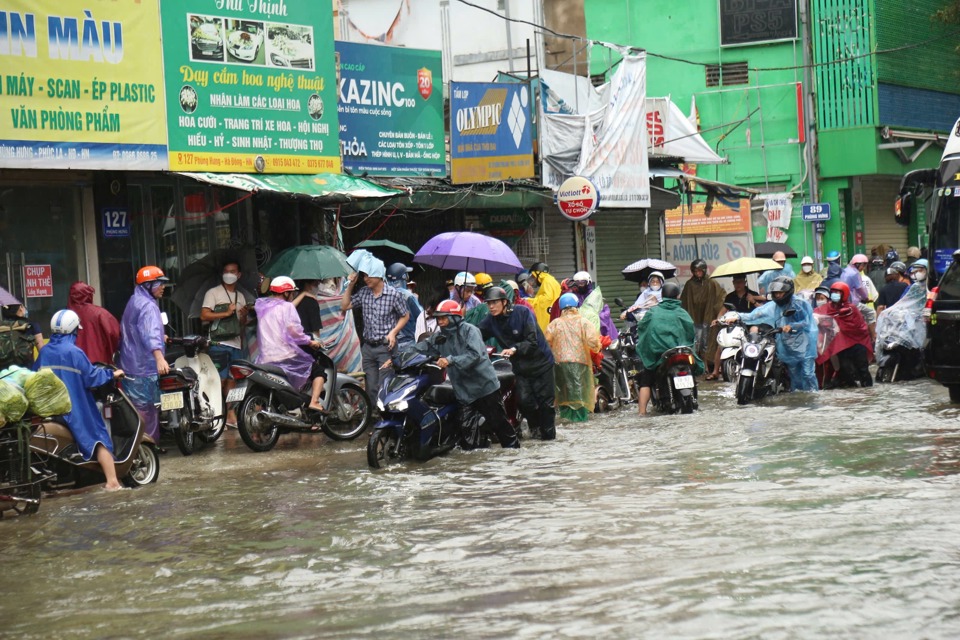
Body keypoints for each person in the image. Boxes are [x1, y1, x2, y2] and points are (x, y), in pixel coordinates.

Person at [407, 300, 520, 449]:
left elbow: (474, 356)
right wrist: (399, 357)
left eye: (443, 318)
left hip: (484, 389)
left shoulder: (470, 331)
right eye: (438, 318)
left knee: (500, 427)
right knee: (468, 437)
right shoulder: (440, 336)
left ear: (454, 317)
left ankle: (513, 455)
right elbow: (423, 347)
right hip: (463, 392)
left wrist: (450, 360)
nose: (440, 322)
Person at [33, 310, 125, 490]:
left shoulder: (44, 353)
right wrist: (112, 374)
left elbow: (34, 376)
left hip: (49, 410)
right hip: (74, 409)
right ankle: (112, 482)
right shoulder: (75, 353)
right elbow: (91, 377)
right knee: (98, 437)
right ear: (73, 330)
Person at [478, 286, 556, 440]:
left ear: (505, 302)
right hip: (520, 368)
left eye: (494, 302)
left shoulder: (523, 313)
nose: (491, 307)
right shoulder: (490, 320)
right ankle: (535, 431)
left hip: (542, 364)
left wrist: (514, 349)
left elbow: (532, 341)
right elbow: (476, 335)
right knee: (524, 401)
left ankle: (549, 440)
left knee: (546, 405)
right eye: (488, 303)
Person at [725, 276, 819, 392]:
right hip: (787, 345)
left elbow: (806, 321)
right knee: (794, 375)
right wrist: (737, 316)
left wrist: (792, 326)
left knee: (808, 373)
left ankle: (813, 395)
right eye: (775, 293)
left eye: (780, 293)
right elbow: (755, 315)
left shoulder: (800, 304)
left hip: (805, 345)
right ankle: (798, 399)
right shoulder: (773, 306)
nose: (778, 296)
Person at [255, 276, 327, 413]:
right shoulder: (287, 307)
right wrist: (310, 341)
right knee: (318, 371)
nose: (293, 295)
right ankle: (314, 402)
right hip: (285, 356)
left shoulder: (263, 307)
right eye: (291, 292)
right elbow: (294, 332)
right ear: (286, 293)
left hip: (266, 358)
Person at [340, 260, 409, 397]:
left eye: (368, 275)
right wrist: (350, 286)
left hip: (386, 347)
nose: (365, 279)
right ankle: (372, 416)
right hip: (368, 348)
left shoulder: (393, 294)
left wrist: (393, 332)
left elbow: (405, 315)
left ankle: (385, 415)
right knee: (370, 386)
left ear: (378, 275)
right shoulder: (364, 292)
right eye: (364, 276)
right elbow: (344, 306)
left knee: (384, 384)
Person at [117, 265, 170, 444]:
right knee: (148, 411)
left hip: (130, 366)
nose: (163, 287)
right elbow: (150, 334)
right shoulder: (148, 306)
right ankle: (148, 447)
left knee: (137, 410)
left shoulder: (134, 301)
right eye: (159, 283)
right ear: (147, 285)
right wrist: (159, 358)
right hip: (144, 368)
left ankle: (138, 447)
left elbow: (138, 330)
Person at [635, 282, 702, 416]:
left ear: (662, 295)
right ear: (677, 296)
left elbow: (642, 329)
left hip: (660, 355)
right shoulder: (683, 313)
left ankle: (641, 413)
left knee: (646, 378)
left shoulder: (653, 312)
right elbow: (690, 333)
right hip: (682, 352)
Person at [201, 260, 250, 427]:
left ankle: (230, 414)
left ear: (239, 275)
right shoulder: (213, 293)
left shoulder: (241, 296)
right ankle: (215, 415)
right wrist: (226, 312)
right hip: (218, 344)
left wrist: (243, 316)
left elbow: (242, 324)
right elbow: (204, 315)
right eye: (226, 271)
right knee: (218, 380)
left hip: (236, 344)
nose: (229, 274)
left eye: (233, 271)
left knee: (232, 380)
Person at [544, 293, 601, 422]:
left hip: (559, 363)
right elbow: (593, 342)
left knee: (563, 394)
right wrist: (597, 347)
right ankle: (580, 421)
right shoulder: (584, 322)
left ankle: (566, 419)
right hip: (580, 362)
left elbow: (546, 342)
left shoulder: (555, 323)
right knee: (579, 394)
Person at [814, 282, 873, 388]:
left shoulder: (852, 309)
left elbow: (861, 328)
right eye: (833, 292)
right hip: (841, 346)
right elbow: (814, 316)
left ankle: (868, 391)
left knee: (863, 370)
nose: (835, 294)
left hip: (857, 343)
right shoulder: (826, 308)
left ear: (844, 294)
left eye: (838, 292)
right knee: (846, 369)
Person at [680, 259, 726, 379]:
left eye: (700, 271)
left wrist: (718, 316)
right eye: (695, 271)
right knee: (696, 342)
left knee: (706, 343)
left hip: (708, 316)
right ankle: (697, 366)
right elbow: (684, 301)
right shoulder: (689, 284)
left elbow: (721, 297)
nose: (698, 273)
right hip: (694, 318)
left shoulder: (711, 283)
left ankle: (706, 365)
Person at [67, 281, 121, 365]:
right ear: (89, 295)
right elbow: (115, 334)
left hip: (72, 364)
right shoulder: (101, 314)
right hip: (98, 363)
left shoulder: (63, 316)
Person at [569, 271, 619, 341]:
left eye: (582, 283)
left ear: (588, 282)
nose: (580, 285)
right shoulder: (572, 296)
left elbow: (603, 311)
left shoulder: (594, 295)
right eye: (577, 283)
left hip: (595, 325)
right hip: (579, 327)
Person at [385, 262, 423, 351]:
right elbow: (421, 317)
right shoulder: (407, 296)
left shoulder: (384, 294)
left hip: (389, 342)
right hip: (409, 343)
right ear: (404, 277)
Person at [521, 262, 561, 332]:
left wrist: (529, 301)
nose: (533, 280)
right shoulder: (551, 280)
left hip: (546, 322)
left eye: (533, 276)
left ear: (538, 273)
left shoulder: (547, 281)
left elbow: (546, 300)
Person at [0, 302, 41, 368]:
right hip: (26, 372)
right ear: (20, 308)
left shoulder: (1, 326)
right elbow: (42, 352)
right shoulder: (31, 325)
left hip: (3, 373)